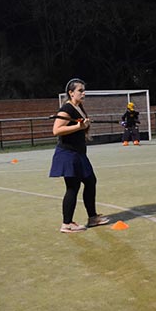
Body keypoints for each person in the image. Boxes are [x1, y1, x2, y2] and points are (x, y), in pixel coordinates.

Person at [49, 78, 110, 233]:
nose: (83, 93)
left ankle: (92, 217)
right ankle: (66, 224)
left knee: (90, 181)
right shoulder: (66, 109)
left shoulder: (79, 107)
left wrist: (84, 128)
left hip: (79, 153)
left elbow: (81, 126)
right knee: (73, 187)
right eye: (80, 90)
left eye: (84, 90)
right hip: (68, 154)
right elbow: (56, 130)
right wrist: (78, 126)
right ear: (71, 93)